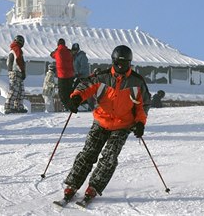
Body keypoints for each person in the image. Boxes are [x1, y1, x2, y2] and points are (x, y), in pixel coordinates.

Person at [60, 45, 151, 203]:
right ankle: (72, 185)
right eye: (118, 63)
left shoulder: (137, 82)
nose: (121, 67)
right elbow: (85, 87)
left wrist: (140, 123)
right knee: (88, 153)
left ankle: (94, 186)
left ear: (130, 63)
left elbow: (142, 106)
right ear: (113, 61)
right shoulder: (102, 76)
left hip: (123, 125)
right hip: (101, 121)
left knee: (109, 157)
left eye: (125, 63)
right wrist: (76, 97)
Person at [5, 35, 27, 114]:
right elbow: (18, 60)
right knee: (14, 90)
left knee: (20, 91)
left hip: (15, 72)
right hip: (15, 72)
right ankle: (8, 107)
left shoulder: (13, 49)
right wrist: (23, 71)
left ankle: (18, 107)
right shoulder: (16, 49)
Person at [50, 38, 74, 110]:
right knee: (70, 91)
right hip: (70, 75)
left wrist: (56, 49)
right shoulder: (69, 52)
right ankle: (71, 105)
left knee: (62, 92)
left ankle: (66, 106)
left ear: (58, 44)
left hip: (62, 76)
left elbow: (51, 55)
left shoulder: (57, 52)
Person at [71, 43, 93, 110]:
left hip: (83, 77)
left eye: (75, 50)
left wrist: (80, 73)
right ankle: (80, 104)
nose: (74, 51)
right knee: (76, 90)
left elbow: (84, 66)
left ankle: (84, 105)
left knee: (81, 90)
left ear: (78, 50)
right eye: (73, 50)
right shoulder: (75, 56)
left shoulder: (82, 56)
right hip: (78, 76)